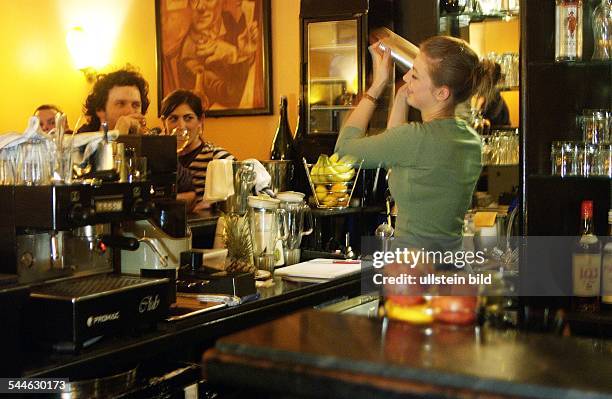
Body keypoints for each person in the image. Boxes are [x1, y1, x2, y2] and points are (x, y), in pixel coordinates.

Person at [335, 36, 494, 252]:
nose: (406, 76)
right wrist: (402, 95)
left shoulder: (416, 139)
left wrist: (377, 86)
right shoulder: (470, 139)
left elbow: (343, 151)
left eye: (415, 75)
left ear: (442, 93)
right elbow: (394, 150)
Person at [160, 89, 234, 211]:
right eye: (173, 119)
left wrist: (215, 205)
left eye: (188, 118)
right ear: (164, 122)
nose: (181, 126)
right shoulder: (159, 159)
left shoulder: (217, 157)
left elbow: (247, 192)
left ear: (201, 121)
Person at [78, 68, 150, 134]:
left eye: (135, 105)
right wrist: (119, 136)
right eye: (121, 104)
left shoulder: (145, 142)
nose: (130, 111)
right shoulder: (80, 143)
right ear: (100, 110)